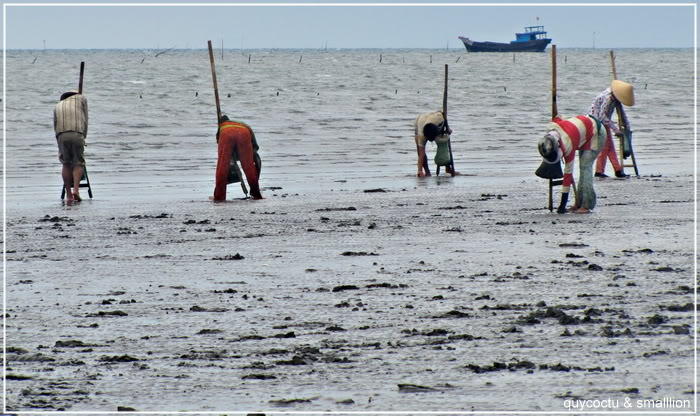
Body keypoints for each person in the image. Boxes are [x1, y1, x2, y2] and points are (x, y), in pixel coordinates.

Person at [537, 115, 606, 214]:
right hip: (583, 130)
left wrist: (562, 205)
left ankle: (586, 205)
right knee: (583, 166)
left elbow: (568, 174)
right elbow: (558, 117)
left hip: (597, 132)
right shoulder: (553, 129)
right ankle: (578, 203)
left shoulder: (568, 143)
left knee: (585, 167)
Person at [589, 80, 635, 178]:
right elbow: (602, 116)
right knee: (606, 146)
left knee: (609, 147)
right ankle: (602, 172)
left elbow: (621, 113)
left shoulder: (616, 98)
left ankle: (615, 170)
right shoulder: (608, 98)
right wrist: (615, 129)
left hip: (604, 122)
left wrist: (627, 127)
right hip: (597, 122)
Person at [213, 115, 262, 201]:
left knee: (222, 167)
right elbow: (255, 146)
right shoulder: (244, 125)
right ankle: (256, 195)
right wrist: (247, 156)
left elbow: (220, 147)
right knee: (249, 167)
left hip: (226, 134)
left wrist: (230, 158)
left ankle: (219, 197)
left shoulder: (221, 127)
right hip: (244, 133)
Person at [54, 91, 88, 201]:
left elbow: (55, 125)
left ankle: (68, 195)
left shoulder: (57, 106)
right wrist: (84, 136)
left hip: (61, 135)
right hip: (77, 133)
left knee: (66, 163)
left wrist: (59, 140)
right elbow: (85, 121)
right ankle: (76, 191)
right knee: (78, 163)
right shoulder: (81, 100)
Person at [414, 111, 454, 177]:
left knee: (443, 144)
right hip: (419, 121)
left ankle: (448, 168)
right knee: (420, 150)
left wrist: (448, 128)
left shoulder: (439, 118)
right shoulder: (422, 136)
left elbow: (444, 114)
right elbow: (421, 153)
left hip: (432, 119)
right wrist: (419, 170)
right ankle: (427, 172)